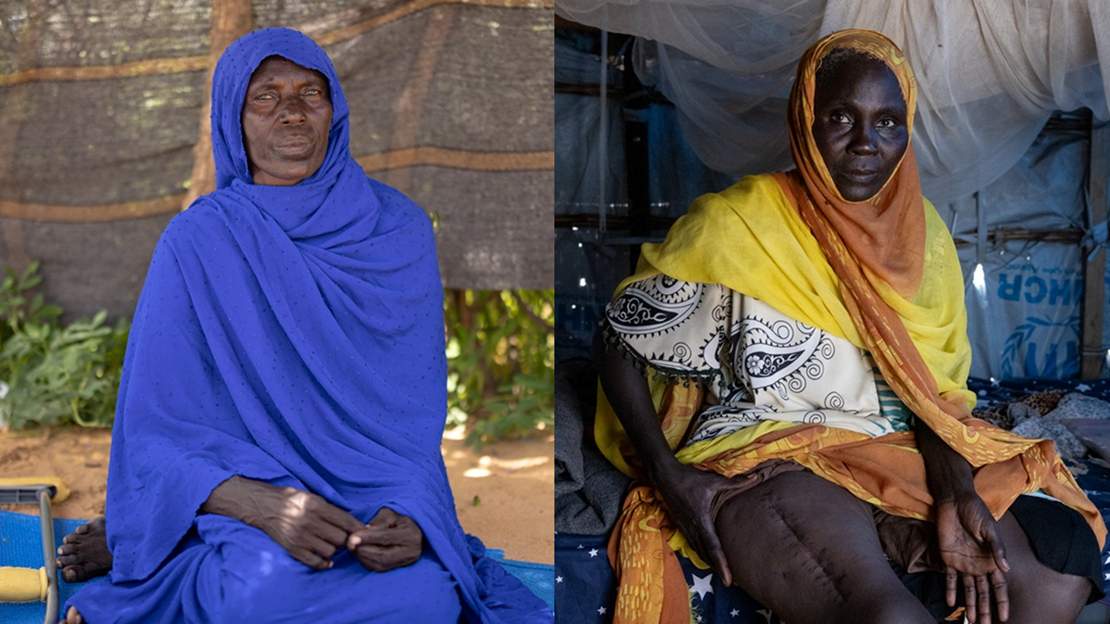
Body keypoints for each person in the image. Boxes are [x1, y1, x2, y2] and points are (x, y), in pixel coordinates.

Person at [593, 29, 1105, 624]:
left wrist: (955, 489)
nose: (866, 142)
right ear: (806, 119)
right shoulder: (741, 223)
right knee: (886, 617)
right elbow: (617, 343)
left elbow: (932, 398)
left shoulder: (924, 239)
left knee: (1057, 569)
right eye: (841, 116)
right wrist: (668, 475)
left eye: (889, 122)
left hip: (897, 446)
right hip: (771, 446)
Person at [56, 27, 552, 624]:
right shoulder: (200, 239)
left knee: (424, 601)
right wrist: (261, 504)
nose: (291, 113)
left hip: (365, 498)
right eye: (265, 97)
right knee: (265, 594)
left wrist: (413, 510)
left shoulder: (398, 231)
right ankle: (172, 560)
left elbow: (410, 418)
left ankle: (156, 544)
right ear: (233, 119)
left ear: (334, 110)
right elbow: (157, 431)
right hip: (242, 496)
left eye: (310, 93)